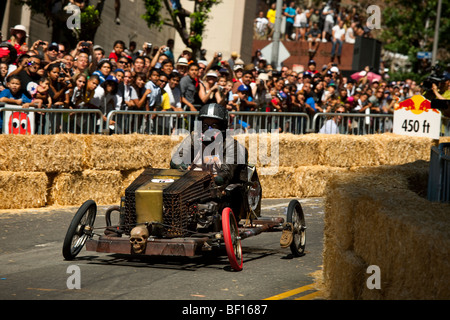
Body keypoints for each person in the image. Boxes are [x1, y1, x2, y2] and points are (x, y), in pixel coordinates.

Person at [170, 103, 248, 191]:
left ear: (222, 126)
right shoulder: (193, 138)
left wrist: (208, 180)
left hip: (220, 189)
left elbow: (225, 174)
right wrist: (183, 168)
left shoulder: (231, 145)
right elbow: (175, 160)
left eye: (214, 125)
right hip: (192, 185)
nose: (209, 129)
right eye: (205, 125)